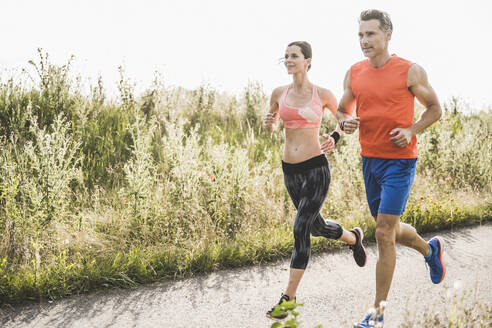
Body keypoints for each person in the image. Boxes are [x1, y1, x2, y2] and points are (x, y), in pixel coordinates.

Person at [336, 10, 445, 328]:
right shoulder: (354, 72)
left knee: (383, 233)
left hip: (400, 163)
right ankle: (430, 249)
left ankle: (377, 312)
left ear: (388, 35)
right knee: (391, 230)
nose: (364, 41)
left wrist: (411, 130)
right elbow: (343, 109)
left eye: (370, 34)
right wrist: (345, 121)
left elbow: (435, 109)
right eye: (360, 35)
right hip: (369, 160)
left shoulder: (409, 71)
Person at [264, 41, 367, 322]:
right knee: (316, 225)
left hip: (315, 169)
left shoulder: (322, 94)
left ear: (307, 60)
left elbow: (343, 118)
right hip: (290, 171)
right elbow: (273, 124)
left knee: (301, 227)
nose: (288, 59)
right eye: (285, 55)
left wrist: (334, 136)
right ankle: (353, 237)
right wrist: (269, 124)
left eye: (293, 56)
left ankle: (288, 299)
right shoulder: (278, 93)